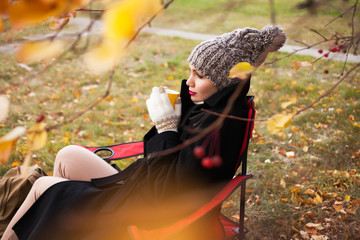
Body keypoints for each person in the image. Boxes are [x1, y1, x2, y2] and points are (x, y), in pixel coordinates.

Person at [2, 25, 286, 240]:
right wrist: (175, 112)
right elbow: (154, 155)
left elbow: (166, 194)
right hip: (142, 186)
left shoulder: (217, 128)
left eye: (200, 75)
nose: (189, 81)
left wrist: (166, 126)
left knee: (43, 188)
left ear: (225, 82)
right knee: (67, 155)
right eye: (190, 71)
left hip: (152, 211)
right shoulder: (213, 107)